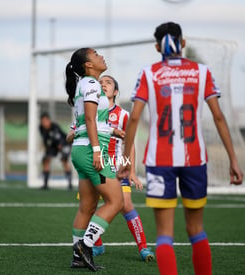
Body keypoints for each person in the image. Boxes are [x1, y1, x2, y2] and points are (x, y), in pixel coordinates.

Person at [118, 22, 243, 275]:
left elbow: (133, 118)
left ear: (157, 47)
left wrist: (125, 160)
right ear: (182, 43)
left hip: (159, 159)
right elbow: (218, 117)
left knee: (164, 233)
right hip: (195, 159)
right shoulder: (202, 72)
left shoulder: (149, 74)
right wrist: (233, 159)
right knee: (196, 229)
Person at [65, 47, 124, 271]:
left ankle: (77, 257)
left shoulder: (86, 84)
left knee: (87, 206)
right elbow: (90, 118)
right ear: (88, 65)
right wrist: (98, 150)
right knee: (116, 201)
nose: (101, 56)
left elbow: (92, 120)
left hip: (82, 149)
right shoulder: (91, 84)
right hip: (91, 151)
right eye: (96, 54)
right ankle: (85, 245)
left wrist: (112, 130)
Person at [87, 74, 155, 262]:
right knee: (89, 205)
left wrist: (131, 170)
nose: (103, 85)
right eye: (100, 83)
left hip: (117, 166)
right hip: (95, 165)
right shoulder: (90, 112)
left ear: (115, 91)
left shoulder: (123, 115)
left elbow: (130, 143)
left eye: (108, 83)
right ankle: (98, 246)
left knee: (126, 204)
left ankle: (143, 248)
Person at [39, 112, 72, 190]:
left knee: (64, 160)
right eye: (42, 121)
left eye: (45, 121)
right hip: (53, 145)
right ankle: (45, 184)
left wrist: (61, 148)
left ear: (49, 120)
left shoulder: (54, 127)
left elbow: (59, 139)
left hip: (64, 143)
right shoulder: (41, 128)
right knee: (46, 160)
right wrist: (47, 148)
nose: (44, 123)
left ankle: (70, 184)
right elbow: (45, 139)